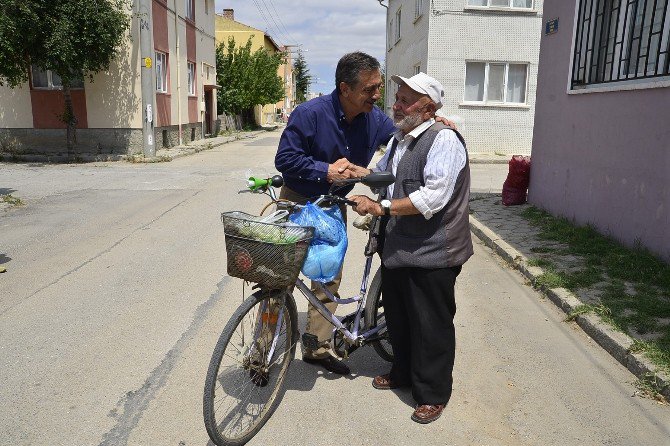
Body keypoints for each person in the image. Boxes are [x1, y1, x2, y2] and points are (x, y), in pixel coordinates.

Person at [349, 72, 474, 424]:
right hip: (399, 246)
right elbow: (385, 175)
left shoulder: (443, 139)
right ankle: (402, 371)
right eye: (397, 97)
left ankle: (433, 392)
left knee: (431, 324)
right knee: (401, 317)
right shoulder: (399, 138)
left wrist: (381, 208)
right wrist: (357, 173)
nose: (396, 104)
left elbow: (433, 197)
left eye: (405, 100)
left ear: (428, 107)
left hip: (435, 250)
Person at [274, 51, 395, 375]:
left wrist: (433, 121)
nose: (376, 95)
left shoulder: (376, 120)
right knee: (280, 279)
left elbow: (402, 137)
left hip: (333, 207)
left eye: (378, 87)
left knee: (327, 278)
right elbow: (285, 160)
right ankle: (261, 352)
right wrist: (325, 170)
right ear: (345, 88)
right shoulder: (309, 114)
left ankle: (317, 346)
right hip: (298, 201)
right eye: (370, 89)